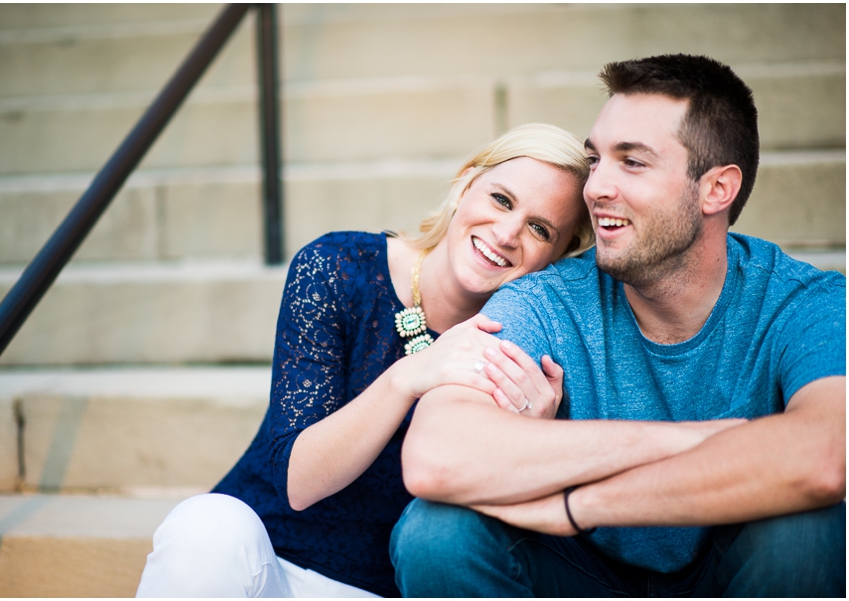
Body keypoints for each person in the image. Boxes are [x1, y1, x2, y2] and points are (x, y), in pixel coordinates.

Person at [391, 54, 846, 597]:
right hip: (582, 574)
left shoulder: (804, 303)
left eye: (631, 162)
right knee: (436, 533)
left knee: (812, 530)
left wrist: (581, 505)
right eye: (595, 160)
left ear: (715, 189)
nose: (595, 187)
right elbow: (436, 453)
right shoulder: (545, 299)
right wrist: (695, 441)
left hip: (732, 566)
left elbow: (827, 454)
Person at [135, 123, 595, 597]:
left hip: (382, 588)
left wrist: (528, 441)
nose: (506, 233)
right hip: (260, 564)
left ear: (559, 255)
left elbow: (493, 540)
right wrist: (407, 377)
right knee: (205, 523)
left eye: (540, 229)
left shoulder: (529, 341)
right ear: (465, 184)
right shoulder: (340, 267)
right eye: (501, 199)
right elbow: (300, 481)